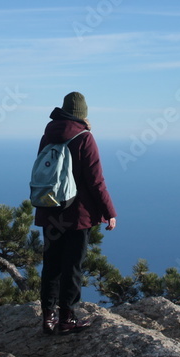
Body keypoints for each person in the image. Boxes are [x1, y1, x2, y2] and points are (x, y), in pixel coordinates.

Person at [34, 92, 117, 335]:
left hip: (49, 209)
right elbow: (96, 181)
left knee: (51, 266)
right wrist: (109, 212)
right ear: (83, 114)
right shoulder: (84, 137)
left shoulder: (47, 135)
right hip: (77, 215)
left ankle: (47, 318)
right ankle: (67, 319)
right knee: (72, 267)